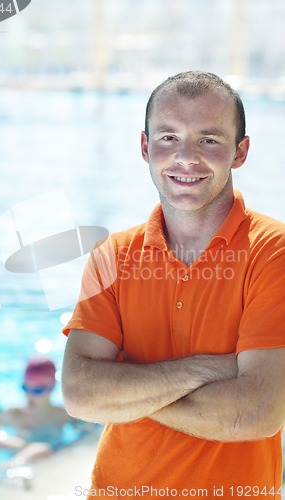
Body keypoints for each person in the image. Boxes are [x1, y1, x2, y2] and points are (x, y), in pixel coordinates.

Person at [62, 71, 285, 499]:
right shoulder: (113, 255)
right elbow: (80, 395)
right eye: (168, 137)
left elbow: (255, 413)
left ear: (240, 152)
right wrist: (209, 370)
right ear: (145, 147)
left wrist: (129, 391)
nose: (186, 157)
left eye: (209, 140)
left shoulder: (273, 253)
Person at [0, 356, 83, 454]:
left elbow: (90, 432)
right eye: (25, 388)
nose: (29, 395)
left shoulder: (62, 415)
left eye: (37, 390)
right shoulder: (15, 415)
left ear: (51, 388)